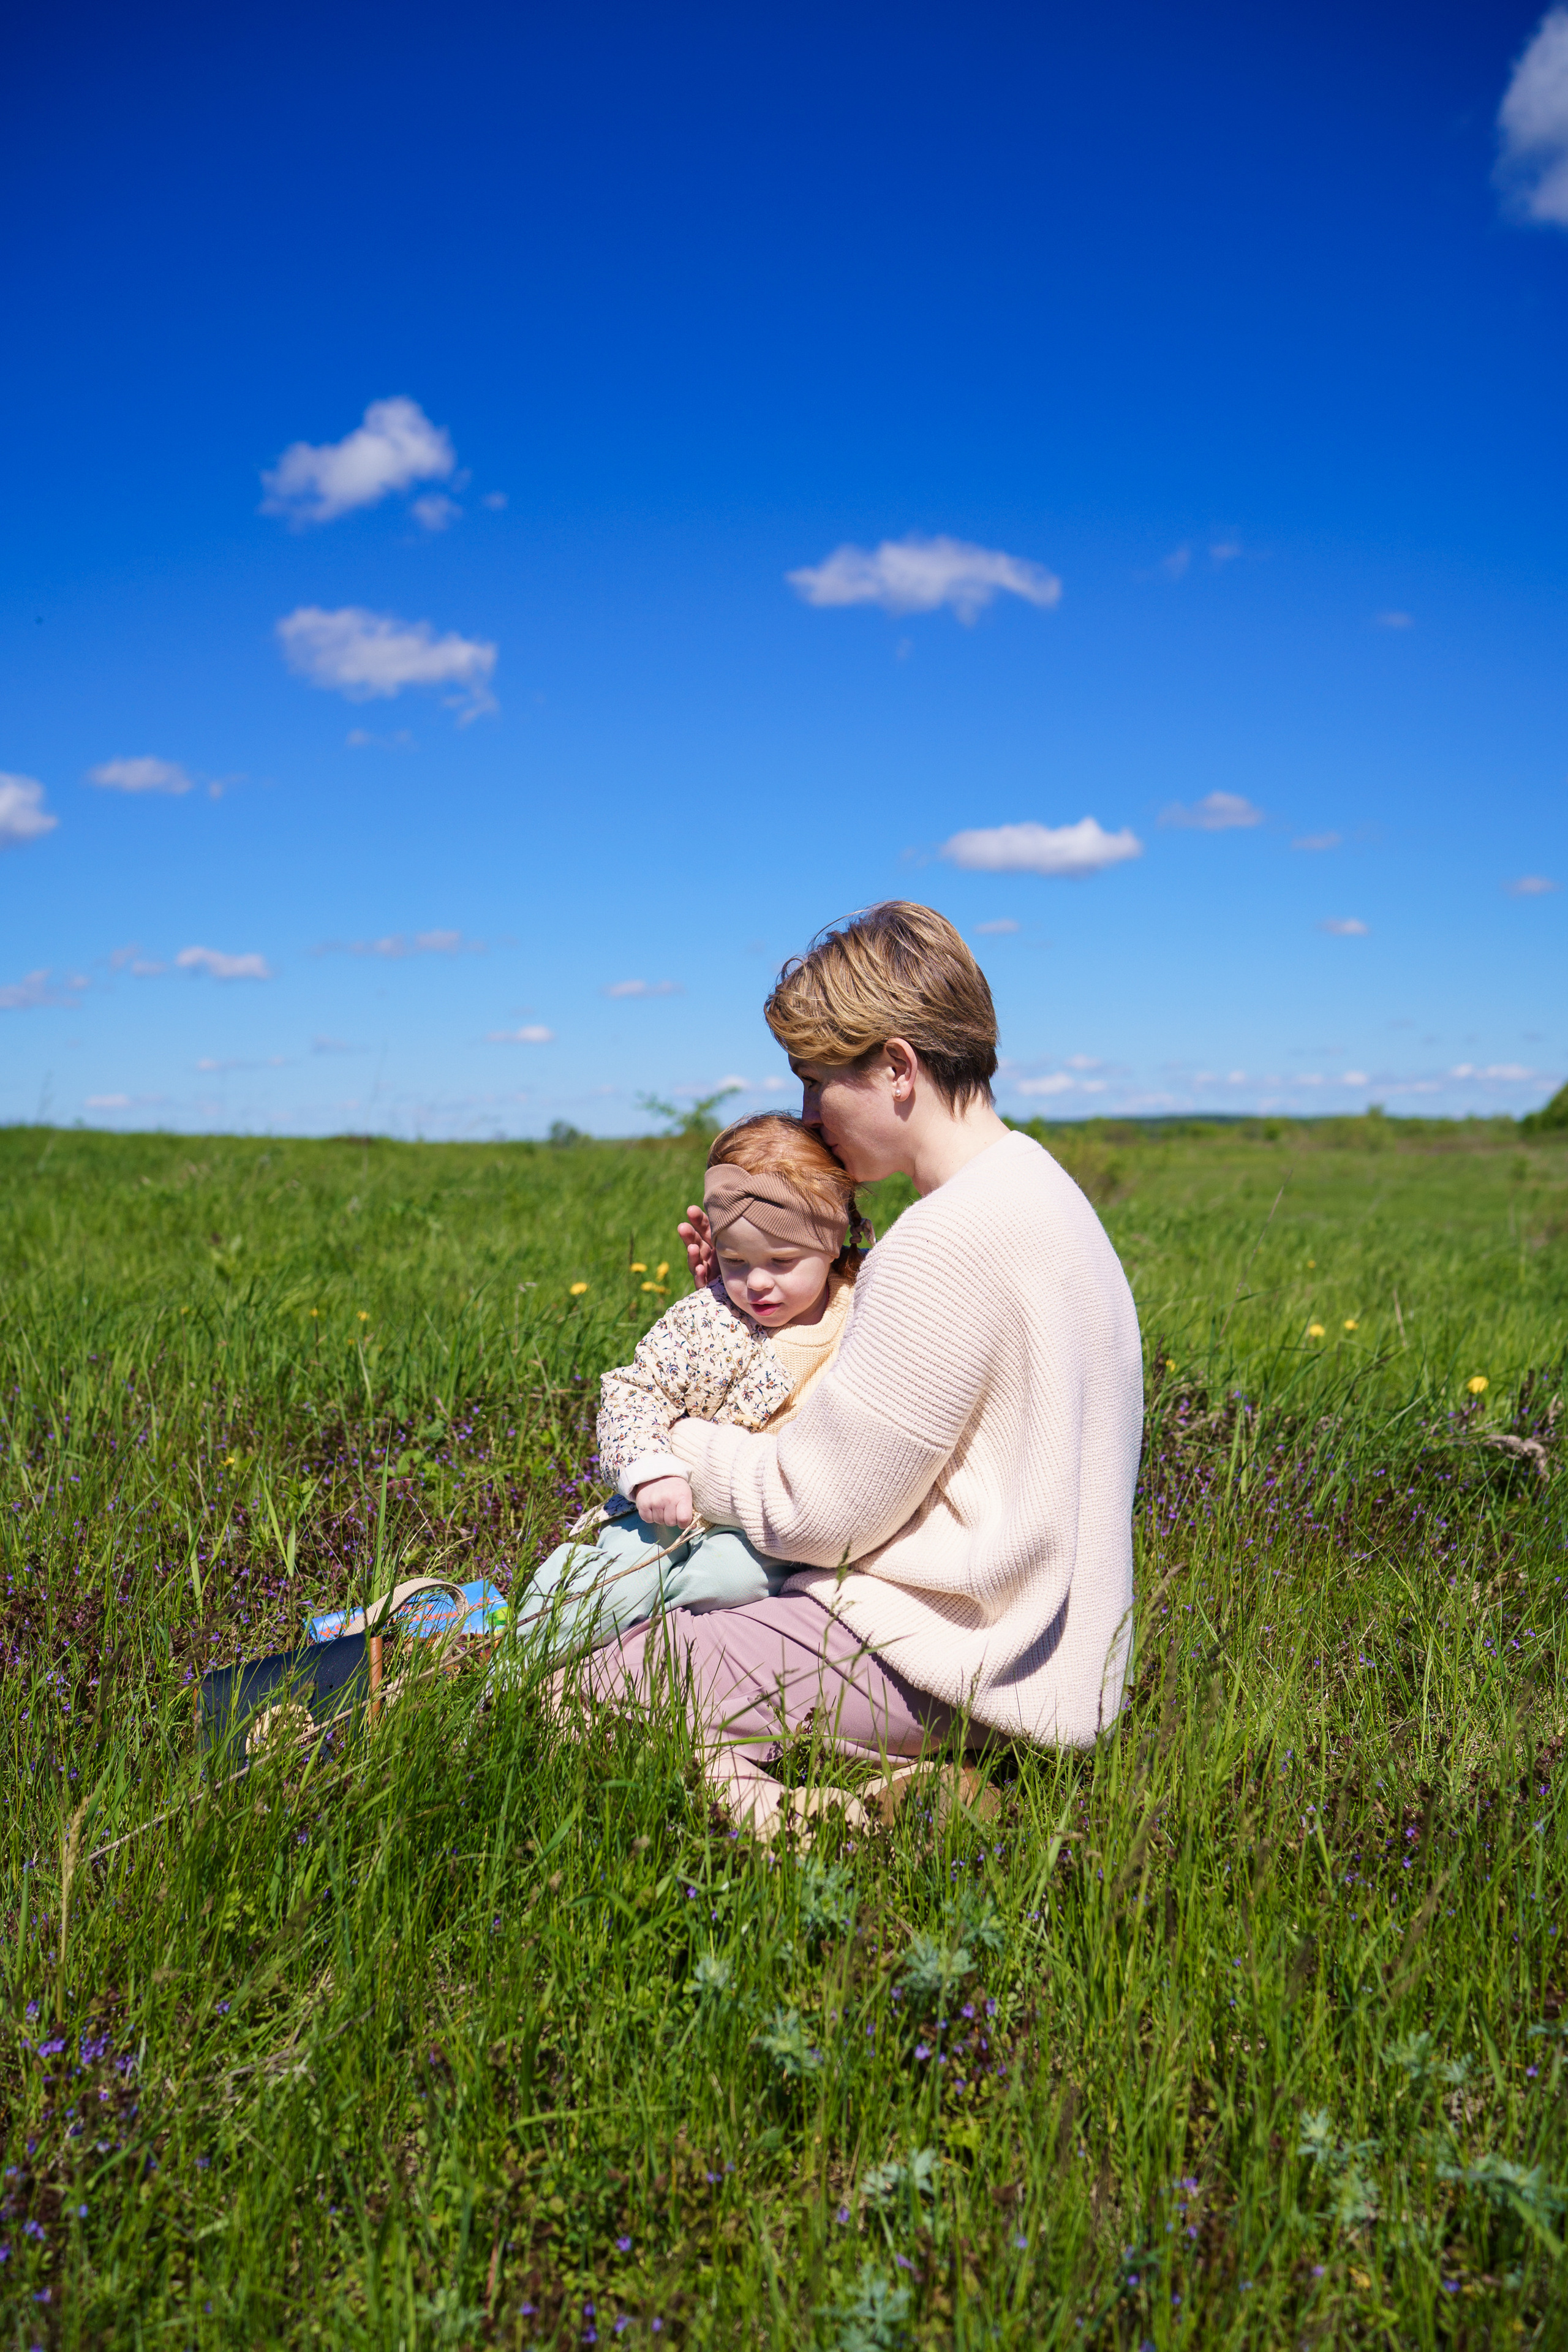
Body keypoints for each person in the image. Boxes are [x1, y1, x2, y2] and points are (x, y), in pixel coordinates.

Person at [563, 901, 1145, 1834]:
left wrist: (677, 1445)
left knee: (573, 1689)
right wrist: (746, 1313)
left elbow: (818, 1512)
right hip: (1051, 1664)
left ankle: (832, 1829)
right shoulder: (1048, 1197)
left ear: (898, 1068)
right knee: (664, 1676)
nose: (808, 1120)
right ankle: (888, 1800)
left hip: (939, 1658)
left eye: (816, 1085)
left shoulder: (944, 1240)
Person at [500, 1114, 868, 1663]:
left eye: (782, 1261)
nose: (757, 1282)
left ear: (833, 1241)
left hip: (768, 1532)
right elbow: (634, 1391)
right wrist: (652, 1472)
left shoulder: (865, 1307)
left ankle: (643, 1645)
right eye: (735, 1260)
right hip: (675, 1507)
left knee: (731, 1580)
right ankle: (515, 1665)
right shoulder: (708, 1316)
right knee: (618, 1575)